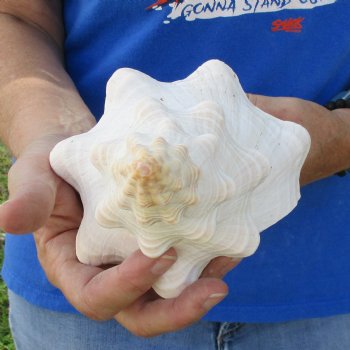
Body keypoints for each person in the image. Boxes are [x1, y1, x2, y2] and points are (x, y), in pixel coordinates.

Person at [1, 1, 350, 349]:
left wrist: (340, 133)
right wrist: (46, 127)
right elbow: (15, 15)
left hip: (330, 277)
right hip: (86, 262)